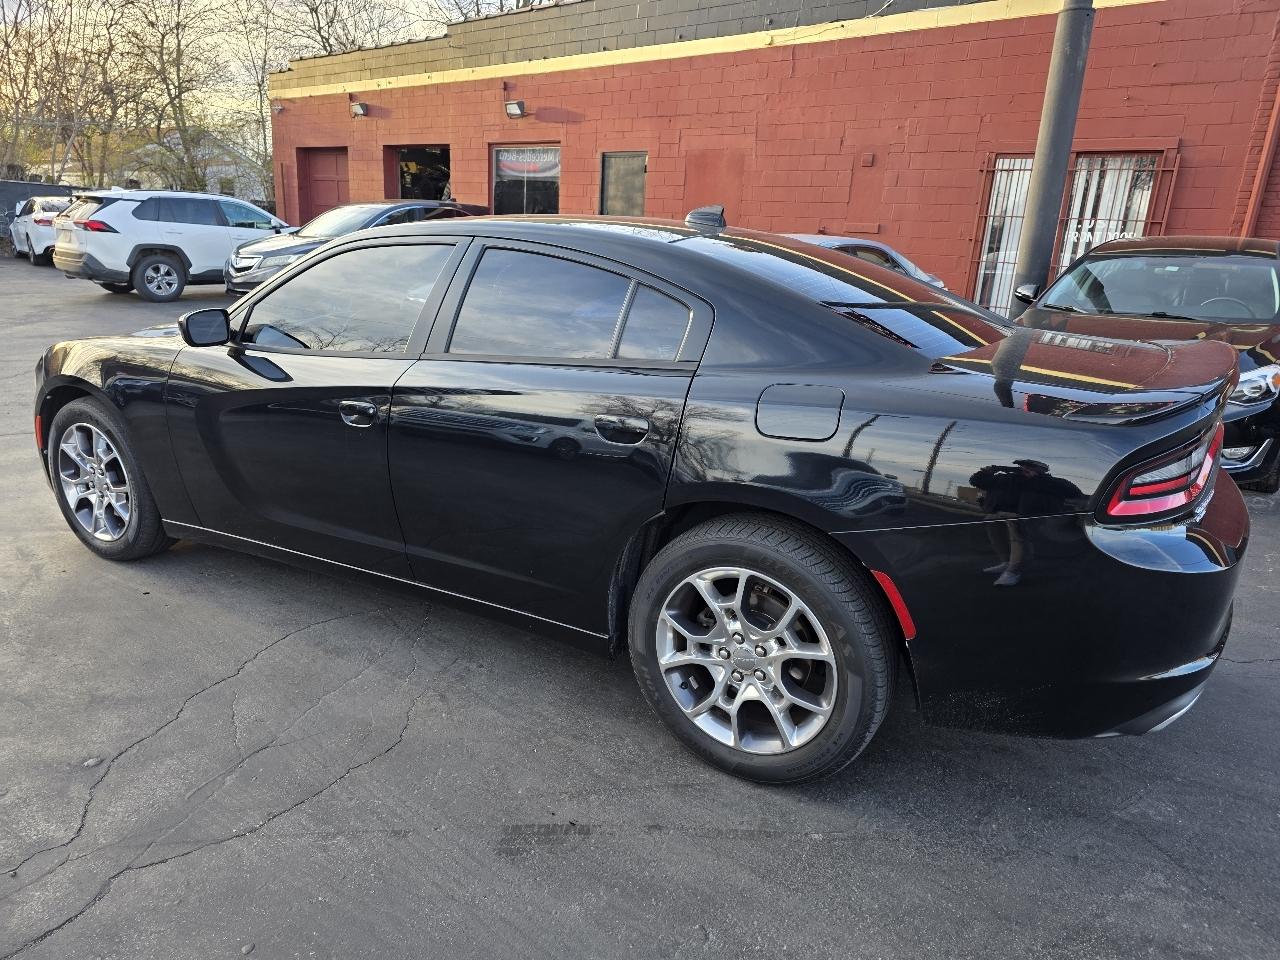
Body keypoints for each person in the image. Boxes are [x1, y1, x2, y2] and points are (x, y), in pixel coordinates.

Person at [969, 459, 1082, 586]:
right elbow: (976, 481)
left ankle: (1013, 571)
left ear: (1043, 470)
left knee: (1015, 524)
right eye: (1022, 465)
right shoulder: (1007, 478)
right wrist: (987, 471)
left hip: (1032, 517)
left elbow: (1075, 493)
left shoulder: (1052, 482)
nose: (1024, 467)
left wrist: (1036, 479)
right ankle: (1006, 562)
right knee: (991, 520)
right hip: (1001, 513)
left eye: (1030, 466)